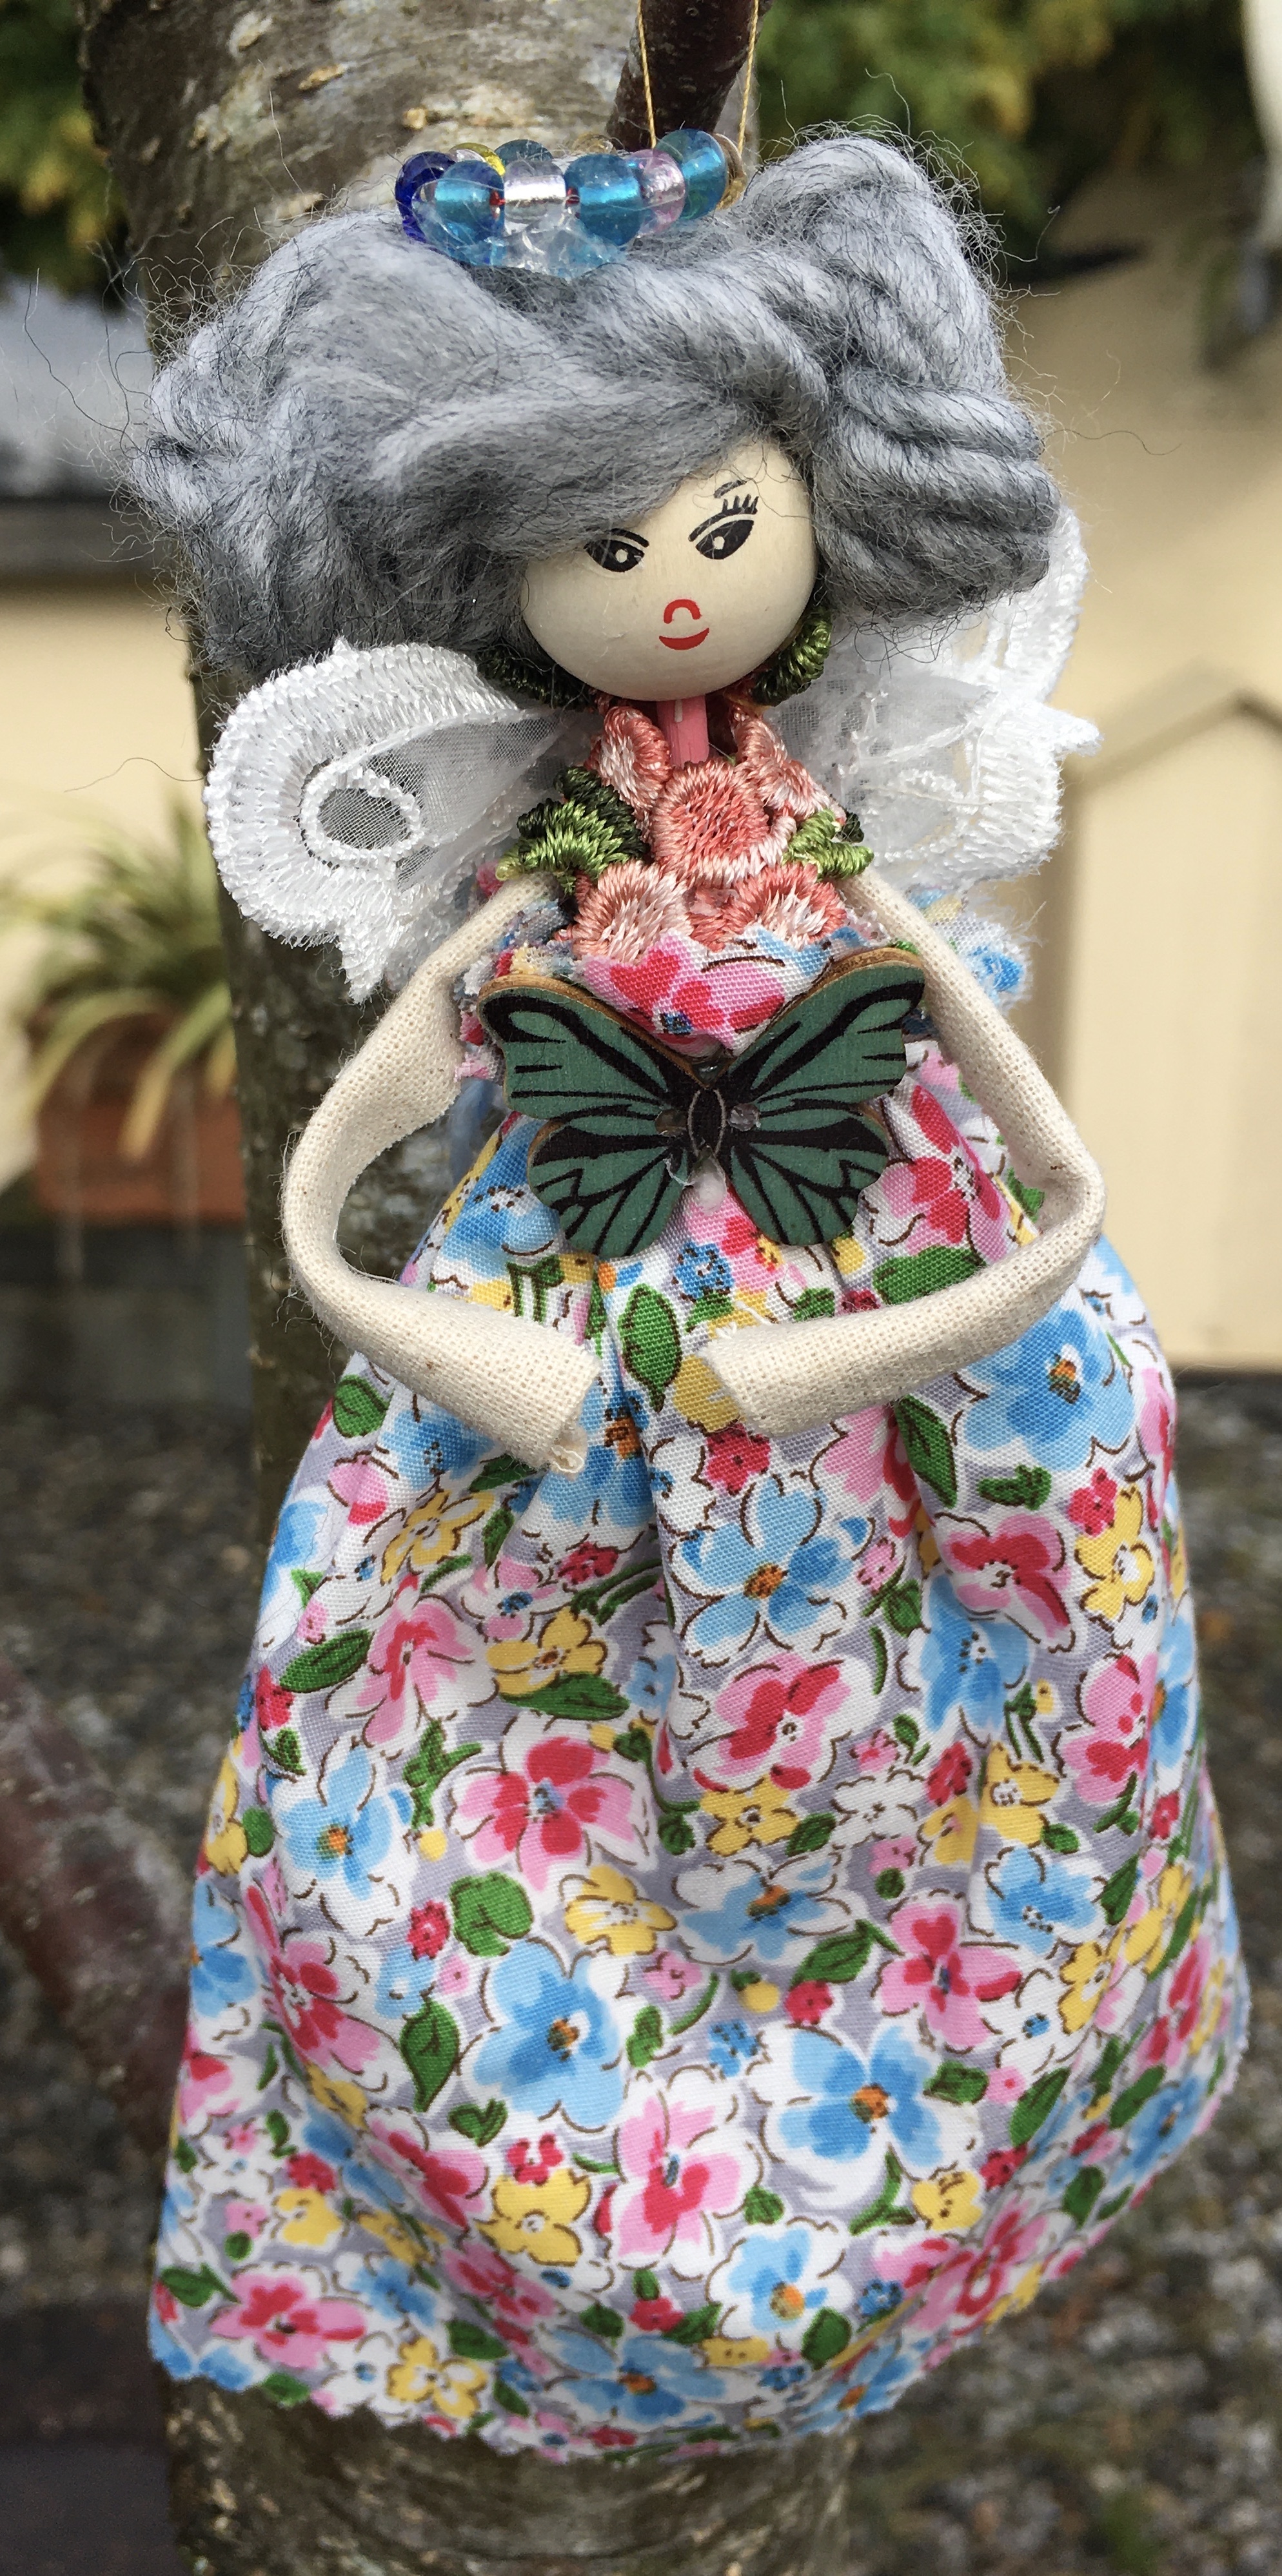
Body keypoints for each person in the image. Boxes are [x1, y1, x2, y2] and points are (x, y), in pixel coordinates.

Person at [139, 128, 1245, 2462]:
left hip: (891, 1340)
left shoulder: (852, 887)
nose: (666, 592)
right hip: (558, 1351)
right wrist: (467, 1355)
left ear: (828, 511)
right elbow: (337, 1196)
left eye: (716, 527)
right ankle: (508, 2216)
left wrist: (901, 1342)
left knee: (978, 1791)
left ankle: (939, 2133)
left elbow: (1050, 1189)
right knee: (439, 1760)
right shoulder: (538, 905)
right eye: (602, 548)